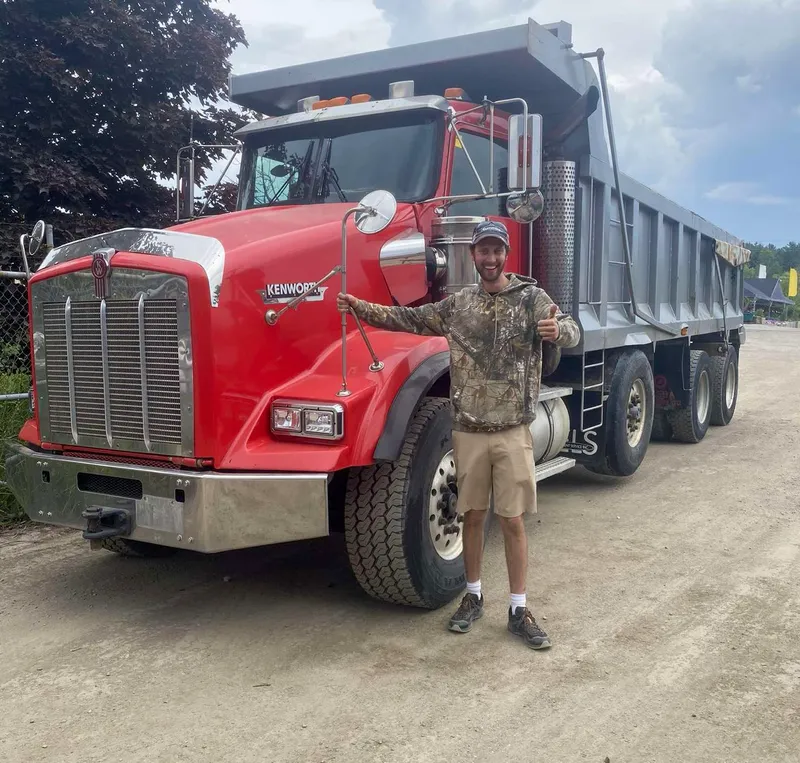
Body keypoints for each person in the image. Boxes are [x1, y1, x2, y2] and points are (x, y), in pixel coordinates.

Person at [337, 219, 580, 649]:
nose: (490, 258)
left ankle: (519, 609)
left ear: (506, 254)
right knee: (471, 516)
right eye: (482, 251)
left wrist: (558, 331)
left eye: (496, 250)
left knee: (512, 521)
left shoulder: (530, 299)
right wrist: (360, 306)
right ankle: (472, 597)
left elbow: (572, 330)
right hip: (467, 430)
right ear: (473, 256)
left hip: (512, 429)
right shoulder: (457, 305)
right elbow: (407, 318)